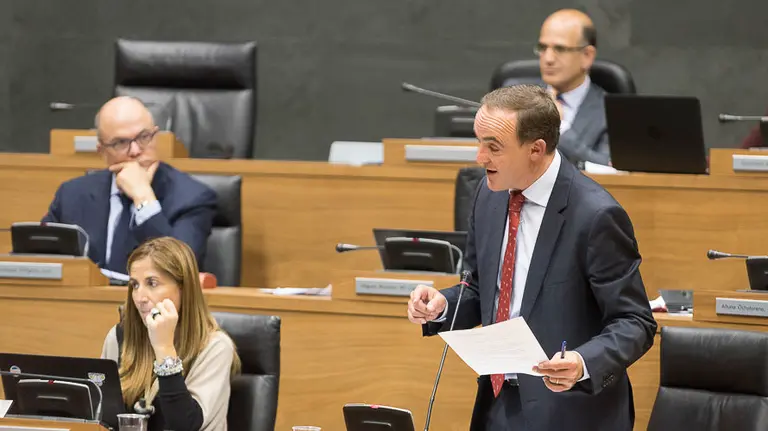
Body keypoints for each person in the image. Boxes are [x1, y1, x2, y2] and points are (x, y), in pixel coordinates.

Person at [407, 85, 656, 430]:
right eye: (479, 141)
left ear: (536, 149)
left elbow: (635, 322)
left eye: (493, 147)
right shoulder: (488, 194)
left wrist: (583, 362)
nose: (480, 158)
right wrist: (443, 304)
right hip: (497, 406)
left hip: (571, 412)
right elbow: (482, 288)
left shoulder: (595, 216)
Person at [42, 96, 217, 275]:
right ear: (102, 152)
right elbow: (41, 258)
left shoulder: (192, 197)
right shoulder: (72, 195)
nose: (135, 151)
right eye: (120, 143)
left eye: (143, 137)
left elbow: (181, 272)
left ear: (155, 136)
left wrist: (144, 198)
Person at [101, 236, 240, 431]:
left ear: (183, 288)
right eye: (135, 285)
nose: (140, 298)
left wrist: (164, 348)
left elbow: (185, 425)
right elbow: (100, 417)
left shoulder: (215, 347)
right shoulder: (119, 339)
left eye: (152, 283)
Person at [536, 9, 610, 166]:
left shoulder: (610, 113)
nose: (548, 59)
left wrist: (560, 128)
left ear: (587, 56)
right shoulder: (520, 102)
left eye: (560, 49)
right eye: (543, 48)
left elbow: (610, 169)